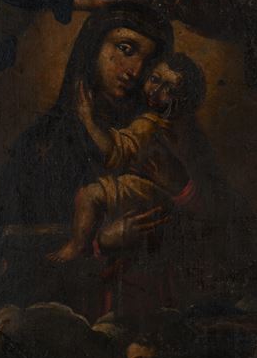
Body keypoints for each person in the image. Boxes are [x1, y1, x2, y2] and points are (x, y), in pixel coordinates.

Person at [0, 2, 175, 313]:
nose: (135, 71)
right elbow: (11, 242)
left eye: (149, 60)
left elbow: (184, 225)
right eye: (125, 49)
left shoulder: (150, 137)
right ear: (92, 48)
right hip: (61, 307)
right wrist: (101, 240)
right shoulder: (43, 140)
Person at [48, 53, 206, 263]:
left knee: (89, 195)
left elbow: (115, 151)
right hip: (160, 196)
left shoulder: (148, 125)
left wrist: (88, 119)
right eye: (155, 79)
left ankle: (77, 246)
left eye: (169, 89)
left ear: (182, 100)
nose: (156, 91)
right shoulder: (174, 126)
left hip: (147, 190)